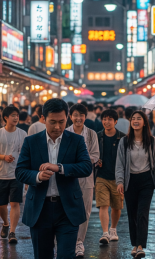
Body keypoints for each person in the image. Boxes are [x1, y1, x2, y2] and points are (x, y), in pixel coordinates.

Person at [15, 98, 92, 259]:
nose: (57, 127)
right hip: (39, 209)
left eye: (62, 122)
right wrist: (36, 176)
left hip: (68, 209)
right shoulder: (31, 141)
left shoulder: (76, 140)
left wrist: (60, 168)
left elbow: (86, 167)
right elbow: (20, 171)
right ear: (43, 119)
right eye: (52, 122)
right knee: (42, 255)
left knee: (66, 255)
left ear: (67, 118)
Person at [116, 111, 155, 259]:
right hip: (130, 180)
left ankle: (141, 246)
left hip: (146, 181)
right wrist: (120, 181)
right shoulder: (124, 141)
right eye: (133, 119)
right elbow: (120, 163)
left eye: (139, 119)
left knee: (142, 213)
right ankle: (134, 245)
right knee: (132, 213)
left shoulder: (151, 140)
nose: (135, 121)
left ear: (144, 122)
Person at [66, 103, 100, 258]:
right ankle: (68, 240)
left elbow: (95, 155)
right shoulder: (65, 133)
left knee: (85, 210)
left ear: (85, 117)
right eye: (75, 115)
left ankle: (79, 242)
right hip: (68, 177)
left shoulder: (91, 134)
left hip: (86, 178)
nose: (78, 118)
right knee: (66, 208)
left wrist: (79, 162)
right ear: (70, 116)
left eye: (81, 115)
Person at [0, 106, 27, 244]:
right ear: (5, 117)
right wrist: (4, 157)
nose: (16, 118)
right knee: (2, 205)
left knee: (15, 203)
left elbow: (25, 153)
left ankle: (12, 231)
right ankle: (5, 223)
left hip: (17, 174)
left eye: (17, 115)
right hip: (0, 174)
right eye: (13, 115)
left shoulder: (22, 134)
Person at [94, 109, 126, 245]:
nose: (106, 122)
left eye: (110, 119)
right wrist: (96, 161)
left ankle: (113, 229)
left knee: (116, 207)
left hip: (118, 178)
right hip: (101, 176)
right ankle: (105, 232)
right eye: (104, 119)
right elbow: (92, 153)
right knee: (103, 205)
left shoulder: (123, 138)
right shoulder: (97, 136)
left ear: (116, 121)